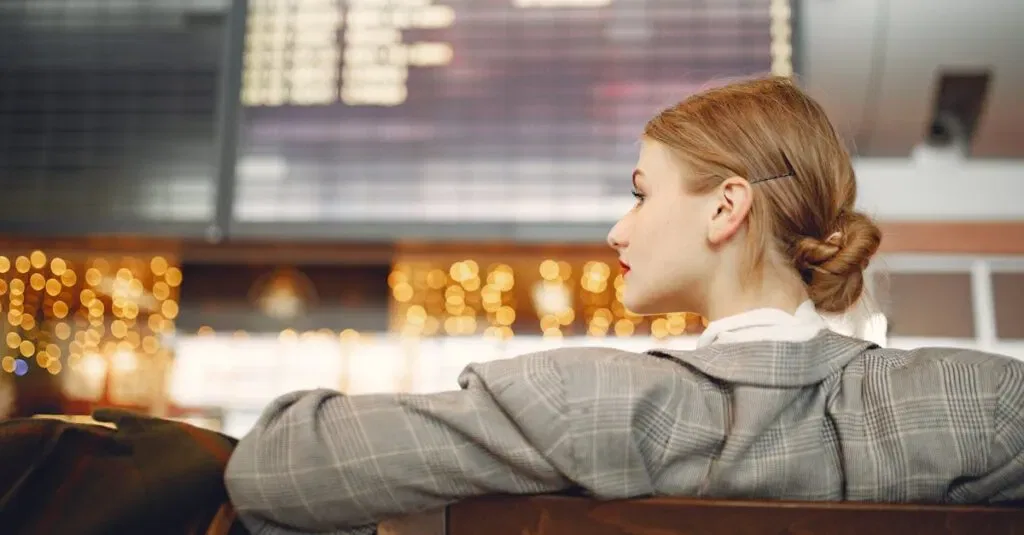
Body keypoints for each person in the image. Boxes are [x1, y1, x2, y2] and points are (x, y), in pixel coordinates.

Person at [223, 76, 1024, 535]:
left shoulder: (582, 403)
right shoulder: (983, 408)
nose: (617, 229)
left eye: (641, 194)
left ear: (726, 208)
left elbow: (273, 469)